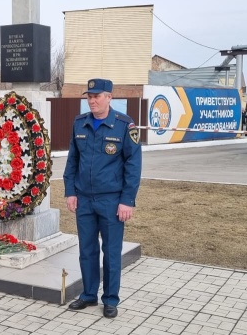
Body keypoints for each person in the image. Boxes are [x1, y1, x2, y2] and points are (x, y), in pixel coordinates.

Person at [63, 78, 142, 318]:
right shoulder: (80, 124)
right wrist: (70, 192)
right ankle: (88, 295)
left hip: (111, 200)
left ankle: (110, 299)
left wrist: (127, 200)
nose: (92, 100)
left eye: (97, 96)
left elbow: (133, 164)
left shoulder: (124, 125)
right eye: (89, 96)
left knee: (111, 250)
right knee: (86, 250)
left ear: (109, 97)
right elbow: (72, 161)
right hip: (84, 199)